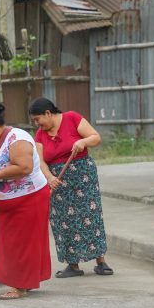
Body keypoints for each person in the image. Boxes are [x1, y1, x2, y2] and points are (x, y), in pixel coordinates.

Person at [0, 102, 51, 300]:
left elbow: (24, 167)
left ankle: (21, 286)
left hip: (29, 200)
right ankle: (22, 281)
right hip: (5, 206)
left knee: (23, 245)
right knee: (9, 246)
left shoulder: (17, 138)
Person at [29, 97, 114, 277]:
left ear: (48, 113)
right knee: (63, 221)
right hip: (58, 182)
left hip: (83, 176)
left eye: (38, 119)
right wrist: (50, 177)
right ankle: (73, 265)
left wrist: (83, 142)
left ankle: (101, 261)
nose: (37, 123)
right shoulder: (40, 135)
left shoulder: (72, 118)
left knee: (90, 215)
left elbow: (95, 137)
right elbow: (40, 161)